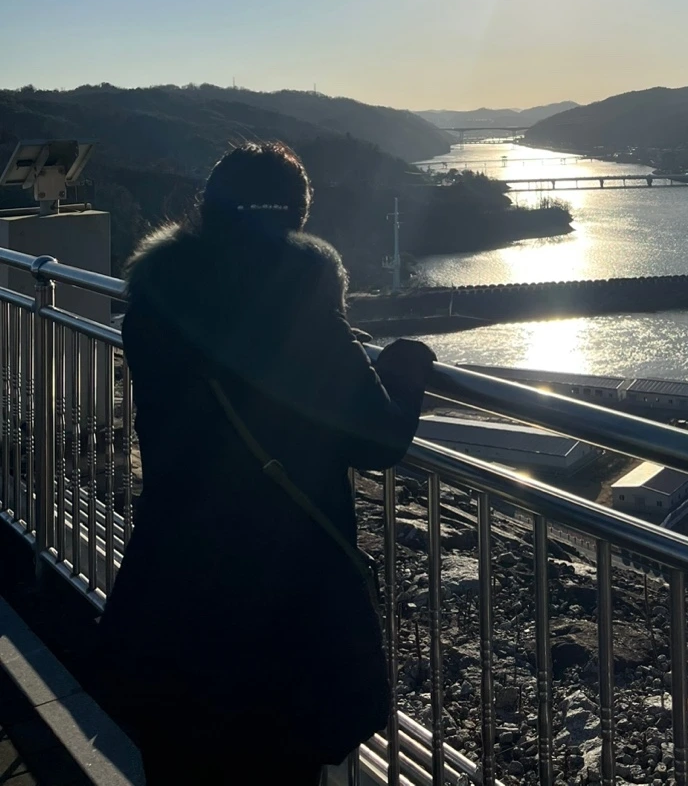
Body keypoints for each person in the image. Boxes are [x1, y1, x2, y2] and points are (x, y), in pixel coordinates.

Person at [97, 142, 435, 786]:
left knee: (178, 760)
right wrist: (406, 367)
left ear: (208, 208)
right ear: (299, 215)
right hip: (279, 604)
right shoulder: (301, 306)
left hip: (171, 585)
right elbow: (377, 441)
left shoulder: (155, 301)